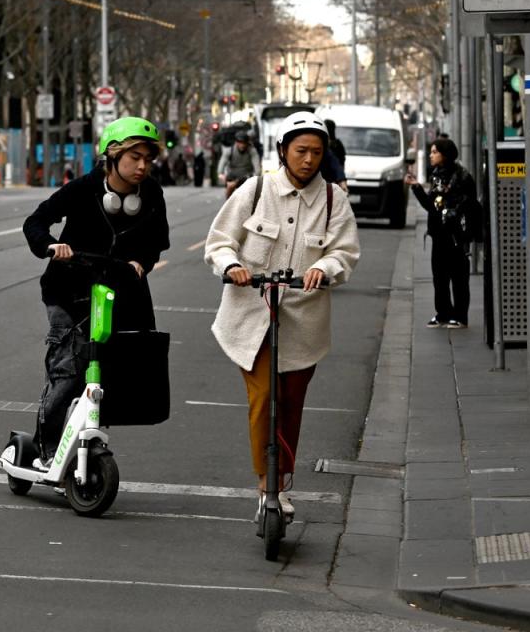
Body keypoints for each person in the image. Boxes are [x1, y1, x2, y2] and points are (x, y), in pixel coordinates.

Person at [204, 111, 359, 521]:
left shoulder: (333, 201)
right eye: (301, 151)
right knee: (264, 400)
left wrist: (323, 269)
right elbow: (219, 242)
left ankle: (283, 481)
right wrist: (230, 265)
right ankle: (265, 484)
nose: (308, 160)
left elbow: (344, 253)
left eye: (316, 152)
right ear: (283, 152)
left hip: (303, 324)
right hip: (250, 318)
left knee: (291, 402)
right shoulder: (255, 190)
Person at [22, 116, 170, 468]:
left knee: (114, 368)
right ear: (113, 156)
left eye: (148, 159)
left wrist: (142, 262)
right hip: (68, 292)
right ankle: (47, 450)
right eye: (134, 157)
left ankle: (84, 439)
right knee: (70, 369)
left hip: (119, 291)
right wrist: (52, 246)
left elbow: (158, 241)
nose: (142, 166)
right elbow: (35, 222)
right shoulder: (83, 189)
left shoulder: (150, 194)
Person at [405, 138, 477, 329]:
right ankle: (443, 313)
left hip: (456, 235)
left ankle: (460, 316)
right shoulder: (437, 175)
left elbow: (467, 206)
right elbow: (431, 206)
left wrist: (452, 211)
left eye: (435, 152)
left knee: (459, 277)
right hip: (439, 234)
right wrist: (416, 187)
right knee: (440, 276)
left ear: (445, 154)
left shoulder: (462, 177)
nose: (431, 155)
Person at [218, 130, 261, 198]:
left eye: (244, 143)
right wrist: (220, 174)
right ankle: (229, 203)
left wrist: (255, 175)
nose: (242, 145)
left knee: (252, 194)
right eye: (240, 143)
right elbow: (222, 162)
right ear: (236, 142)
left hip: (246, 176)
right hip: (233, 175)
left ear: (247, 143)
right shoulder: (230, 150)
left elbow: (257, 168)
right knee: (230, 187)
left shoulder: (252, 151)